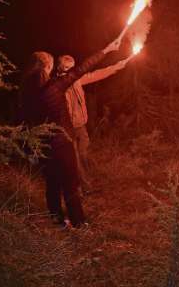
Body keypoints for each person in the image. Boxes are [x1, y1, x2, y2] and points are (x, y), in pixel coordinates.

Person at [20, 36, 122, 228]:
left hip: (43, 144)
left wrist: (30, 148)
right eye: (50, 65)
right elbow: (82, 68)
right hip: (62, 142)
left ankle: (57, 219)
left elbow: (26, 121)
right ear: (47, 68)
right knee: (70, 184)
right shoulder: (55, 87)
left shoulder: (27, 92)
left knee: (52, 182)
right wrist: (107, 50)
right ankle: (79, 222)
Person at [55, 54, 133, 191]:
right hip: (67, 128)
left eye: (72, 68)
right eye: (66, 68)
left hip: (81, 125)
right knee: (75, 158)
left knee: (83, 154)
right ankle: (84, 187)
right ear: (59, 67)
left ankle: (80, 181)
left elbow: (97, 74)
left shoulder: (77, 80)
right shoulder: (57, 85)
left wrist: (117, 66)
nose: (70, 71)